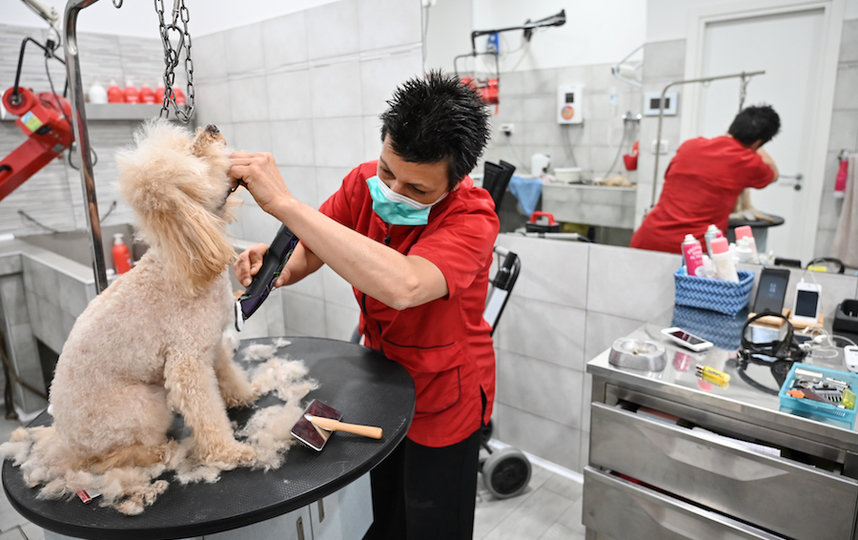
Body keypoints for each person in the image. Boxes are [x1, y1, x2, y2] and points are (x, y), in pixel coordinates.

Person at [229, 71, 498, 540]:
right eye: (388, 171)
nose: (394, 192)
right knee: (382, 516)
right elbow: (312, 246)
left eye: (418, 190)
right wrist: (278, 268)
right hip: (382, 380)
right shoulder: (363, 184)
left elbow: (406, 285)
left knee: (432, 522)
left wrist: (285, 205)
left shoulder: (473, 218)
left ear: (455, 183)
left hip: (444, 397)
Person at [630, 104, 781, 253]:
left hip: (648, 239)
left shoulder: (689, 146)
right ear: (758, 142)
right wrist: (756, 147)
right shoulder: (747, 161)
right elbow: (774, 174)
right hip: (692, 251)